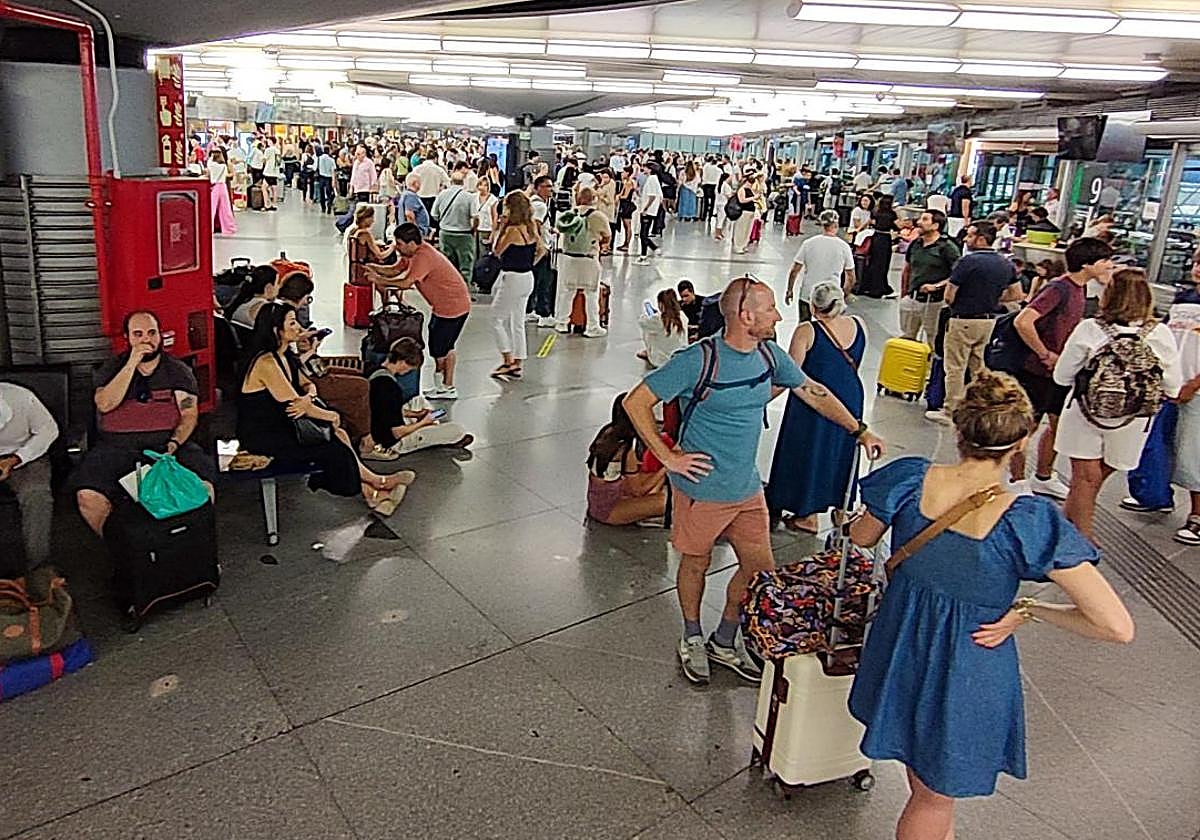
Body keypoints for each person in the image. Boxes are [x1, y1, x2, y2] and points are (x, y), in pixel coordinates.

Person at [846, 372, 1134, 840]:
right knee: (934, 799)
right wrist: (1030, 610)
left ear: (958, 430)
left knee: (924, 786)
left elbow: (861, 538)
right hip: (968, 662)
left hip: (901, 643)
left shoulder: (910, 479)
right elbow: (1116, 626)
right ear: (1021, 442)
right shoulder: (1026, 522)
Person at [623, 276, 885, 684]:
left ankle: (725, 639)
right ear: (746, 316)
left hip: (746, 487)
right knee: (696, 562)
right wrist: (668, 457)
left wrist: (859, 430)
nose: (779, 315)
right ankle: (692, 636)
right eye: (769, 309)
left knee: (759, 569)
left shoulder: (769, 355)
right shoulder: (698, 359)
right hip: (703, 488)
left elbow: (813, 391)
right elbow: (635, 402)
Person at [239, 303, 414, 516]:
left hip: (283, 423)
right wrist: (331, 415)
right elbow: (296, 406)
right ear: (277, 330)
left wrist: (309, 396)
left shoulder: (285, 356)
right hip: (265, 434)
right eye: (292, 323)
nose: (299, 327)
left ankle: (374, 486)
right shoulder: (267, 363)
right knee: (333, 445)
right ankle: (373, 487)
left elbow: (306, 385)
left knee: (340, 433)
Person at [1053, 268, 1182, 540]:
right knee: (1095, 476)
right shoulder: (1159, 333)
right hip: (1133, 420)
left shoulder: (1089, 328)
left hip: (1085, 413)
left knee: (1084, 478)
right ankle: (1071, 530)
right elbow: (1172, 386)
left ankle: (1081, 537)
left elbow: (1062, 376)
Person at [73, 311, 216, 536]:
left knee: (202, 488)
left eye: (152, 333)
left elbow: (189, 414)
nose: (146, 340)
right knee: (88, 496)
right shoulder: (113, 367)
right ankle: (125, 552)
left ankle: (190, 550)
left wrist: (174, 443)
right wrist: (132, 363)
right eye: (138, 334)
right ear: (128, 338)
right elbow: (104, 404)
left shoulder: (177, 370)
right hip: (116, 448)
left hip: (166, 446)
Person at [1010, 237, 1114, 499]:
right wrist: (1045, 354)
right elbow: (1024, 321)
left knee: (1058, 426)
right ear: (1087, 263)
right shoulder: (1060, 288)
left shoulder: (1083, 290)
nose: (1108, 266)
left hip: (1060, 374)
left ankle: (1043, 476)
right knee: (1025, 428)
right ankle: (1017, 480)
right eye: (1104, 261)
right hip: (1038, 372)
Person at [766, 283, 865, 534]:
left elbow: (791, 374)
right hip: (851, 395)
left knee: (809, 451)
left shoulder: (807, 331)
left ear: (812, 305)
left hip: (812, 401)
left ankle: (807, 515)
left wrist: (760, 397)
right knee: (841, 450)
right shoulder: (858, 325)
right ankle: (842, 509)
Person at [926, 221, 1024, 424]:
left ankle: (950, 410)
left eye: (970, 236)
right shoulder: (1006, 263)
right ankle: (981, 405)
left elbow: (949, 295)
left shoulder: (967, 262)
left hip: (963, 320)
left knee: (954, 367)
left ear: (981, 239)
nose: (965, 239)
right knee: (978, 367)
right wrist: (992, 299)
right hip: (988, 321)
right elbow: (1017, 294)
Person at [367, 223, 472, 401]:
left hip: (452, 307)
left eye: (399, 244)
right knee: (443, 346)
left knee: (440, 348)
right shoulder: (411, 254)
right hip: (445, 306)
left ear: (412, 243)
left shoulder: (424, 257)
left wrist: (380, 280)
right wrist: (375, 268)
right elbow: (395, 269)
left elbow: (406, 282)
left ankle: (445, 386)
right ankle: (444, 385)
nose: (397, 248)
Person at [362, 338, 473, 461]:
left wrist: (416, 414)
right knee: (457, 429)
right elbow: (396, 432)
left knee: (418, 401)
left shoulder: (375, 370)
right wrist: (422, 422)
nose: (409, 371)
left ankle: (433, 429)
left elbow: (384, 409)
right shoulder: (390, 388)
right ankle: (434, 431)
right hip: (393, 440)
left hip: (376, 421)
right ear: (403, 362)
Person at [0, 381, 58, 569]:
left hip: (24, 454)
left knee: (36, 494)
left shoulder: (21, 397)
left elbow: (48, 430)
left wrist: (16, 458)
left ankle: (38, 567)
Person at [586, 393, 667, 526]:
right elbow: (639, 490)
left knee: (653, 481)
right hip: (610, 510)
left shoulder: (607, 433)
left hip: (598, 502)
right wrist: (667, 465)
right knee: (667, 501)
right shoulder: (625, 450)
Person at [491, 191, 547, 380]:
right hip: (527, 276)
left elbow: (497, 251)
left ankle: (507, 359)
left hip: (512, 276)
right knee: (517, 321)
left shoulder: (512, 230)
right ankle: (518, 360)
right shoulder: (530, 227)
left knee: (496, 318)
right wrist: (530, 262)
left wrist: (499, 227)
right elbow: (542, 250)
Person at [553, 187, 610, 338]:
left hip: (569, 258)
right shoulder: (598, 216)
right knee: (591, 293)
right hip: (588, 258)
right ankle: (592, 326)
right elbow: (607, 235)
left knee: (568, 292)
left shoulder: (570, 215)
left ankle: (562, 322)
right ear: (593, 199)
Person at [899, 209, 959, 346]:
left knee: (933, 338)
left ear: (936, 225)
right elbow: (907, 269)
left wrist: (937, 286)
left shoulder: (947, 247)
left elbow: (957, 275)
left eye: (925, 219)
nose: (919, 222)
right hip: (912, 299)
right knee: (907, 337)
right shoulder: (915, 244)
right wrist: (904, 294)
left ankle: (930, 366)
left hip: (934, 302)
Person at [784, 209, 855, 321]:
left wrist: (789, 290)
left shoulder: (808, 243)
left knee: (804, 326)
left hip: (807, 294)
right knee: (829, 328)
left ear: (822, 225)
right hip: (832, 295)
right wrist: (843, 294)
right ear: (836, 225)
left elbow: (795, 270)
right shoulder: (844, 247)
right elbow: (850, 277)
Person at [432, 169, 480, 287]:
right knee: (465, 265)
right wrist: (473, 229)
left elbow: (434, 214)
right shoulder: (469, 197)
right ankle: (463, 289)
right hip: (464, 234)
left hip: (445, 233)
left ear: (451, 181)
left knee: (447, 264)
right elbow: (475, 217)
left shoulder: (442, 195)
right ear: (463, 182)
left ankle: (447, 287)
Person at [638, 288, 689, 368]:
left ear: (661, 304)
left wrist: (650, 315)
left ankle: (649, 352)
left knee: (648, 330)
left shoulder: (658, 320)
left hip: (661, 361)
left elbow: (642, 322)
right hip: (679, 357)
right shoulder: (683, 316)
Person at [859, 194, 898, 298]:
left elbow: (871, 223)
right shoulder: (892, 214)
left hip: (875, 237)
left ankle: (869, 286)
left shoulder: (875, 212)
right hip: (885, 239)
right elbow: (897, 226)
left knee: (873, 263)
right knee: (883, 265)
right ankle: (880, 287)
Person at [347, 205, 394, 285]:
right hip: (367, 268)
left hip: (355, 269)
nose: (373, 221)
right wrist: (393, 246)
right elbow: (380, 255)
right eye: (371, 217)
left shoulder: (353, 232)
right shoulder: (365, 234)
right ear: (365, 218)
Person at [225, 264, 278, 330]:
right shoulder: (266, 308)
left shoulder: (241, 303)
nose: (278, 287)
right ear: (268, 287)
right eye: (277, 283)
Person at [635, 163, 663, 265]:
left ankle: (646, 254)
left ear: (650, 169)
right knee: (644, 234)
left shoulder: (651, 179)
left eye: (646, 168)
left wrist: (645, 208)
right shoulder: (655, 179)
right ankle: (647, 252)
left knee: (643, 234)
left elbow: (652, 196)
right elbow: (660, 196)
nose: (644, 169)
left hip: (648, 211)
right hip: (652, 210)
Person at [207, 148, 238, 236]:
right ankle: (229, 227)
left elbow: (208, 171)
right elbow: (228, 175)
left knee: (212, 208)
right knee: (225, 208)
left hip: (214, 187)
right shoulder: (224, 166)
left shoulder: (211, 164)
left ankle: (210, 227)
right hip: (223, 186)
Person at [730, 169, 758, 255]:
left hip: (750, 212)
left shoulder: (750, 190)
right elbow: (742, 200)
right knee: (740, 230)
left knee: (747, 230)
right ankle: (738, 246)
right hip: (743, 212)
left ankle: (743, 245)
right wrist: (753, 198)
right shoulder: (742, 189)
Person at [397, 173, 431, 239]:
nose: (421, 185)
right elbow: (409, 215)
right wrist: (414, 234)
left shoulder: (406, 194)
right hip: (413, 234)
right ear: (415, 183)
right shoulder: (410, 196)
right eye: (420, 182)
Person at [475, 175, 499, 255]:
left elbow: (495, 217)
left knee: (483, 253)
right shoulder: (474, 197)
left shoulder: (493, 200)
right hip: (475, 229)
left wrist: (492, 234)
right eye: (481, 184)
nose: (483, 187)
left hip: (486, 230)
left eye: (485, 185)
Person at [616, 167, 637, 252]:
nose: (622, 174)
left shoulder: (629, 183)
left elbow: (625, 196)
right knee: (626, 225)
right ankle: (625, 243)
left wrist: (618, 197)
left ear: (628, 173)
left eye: (623, 172)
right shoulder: (626, 182)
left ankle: (627, 244)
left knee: (627, 225)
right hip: (625, 204)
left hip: (626, 205)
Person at [700, 156, 722, 221]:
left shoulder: (706, 167)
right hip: (714, 186)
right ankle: (710, 216)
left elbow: (703, 175)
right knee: (712, 201)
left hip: (706, 184)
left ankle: (703, 216)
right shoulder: (718, 170)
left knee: (705, 201)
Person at [315, 146, 335, 214]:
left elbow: (315, 168)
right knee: (329, 193)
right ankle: (329, 206)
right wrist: (333, 180)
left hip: (321, 177)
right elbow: (333, 171)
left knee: (321, 193)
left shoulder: (319, 158)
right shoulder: (331, 160)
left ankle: (323, 207)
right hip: (328, 178)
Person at [261, 138, 279, 210]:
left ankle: (266, 204)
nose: (267, 142)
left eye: (268, 140)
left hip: (268, 171)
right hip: (275, 172)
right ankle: (274, 204)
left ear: (271, 141)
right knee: (274, 188)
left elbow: (264, 159)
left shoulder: (268, 150)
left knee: (264, 188)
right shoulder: (277, 150)